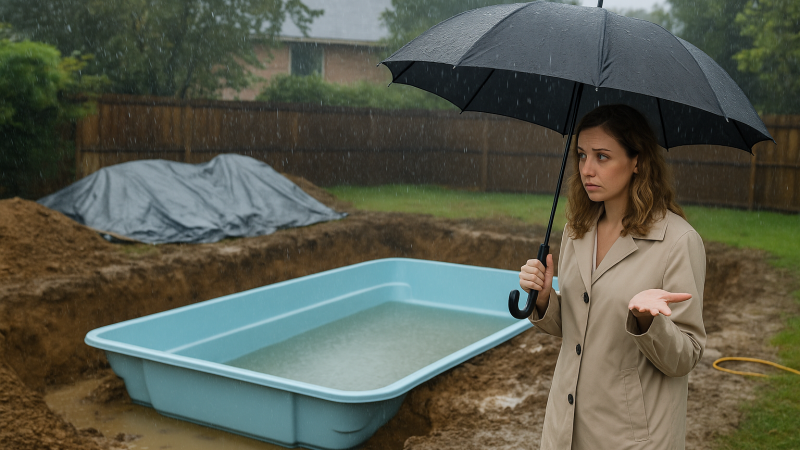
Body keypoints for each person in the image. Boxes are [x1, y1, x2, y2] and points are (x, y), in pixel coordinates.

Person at [519, 104, 706, 450]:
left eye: (602, 157)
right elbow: (582, 326)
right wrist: (546, 299)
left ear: (637, 162)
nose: (587, 169)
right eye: (581, 155)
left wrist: (648, 322)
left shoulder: (678, 242)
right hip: (566, 427)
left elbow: (686, 356)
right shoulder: (578, 231)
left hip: (630, 437)